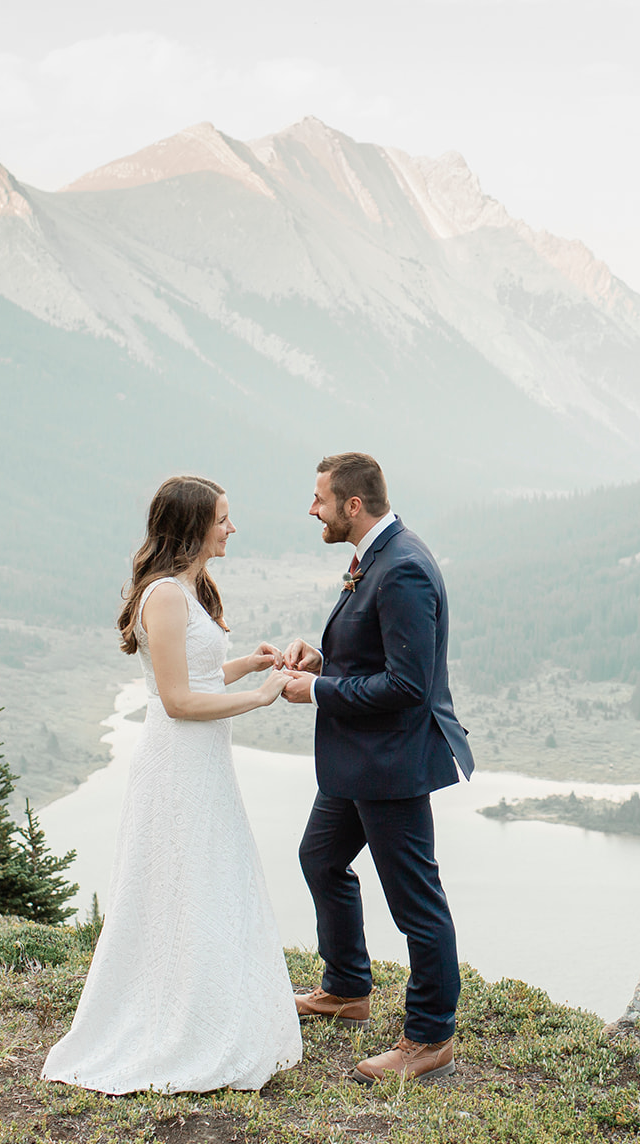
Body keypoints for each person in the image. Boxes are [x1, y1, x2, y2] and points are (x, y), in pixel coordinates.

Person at [42, 475, 301, 1094]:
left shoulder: (189, 589)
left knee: (211, 879)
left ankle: (212, 1012)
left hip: (204, 764)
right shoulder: (163, 594)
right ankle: (176, 1024)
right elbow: (179, 701)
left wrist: (251, 663)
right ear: (193, 527)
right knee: (180, 886)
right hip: (178, 766)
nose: (231, 528)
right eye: (223, 518)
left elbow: (198, 671)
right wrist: (259, 696)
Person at [279, 452, 475, 1084]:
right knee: (320, 857)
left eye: (321, 499)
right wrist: (323, 662)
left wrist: (320, 692)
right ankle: (347, 988)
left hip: (391, 763)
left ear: (353, 505)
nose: (314, 509)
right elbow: (372, 655)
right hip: (360, 760)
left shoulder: (405, 570)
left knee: (417, 901)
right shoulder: (377, 560)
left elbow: (407, 686)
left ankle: (429, 1039)